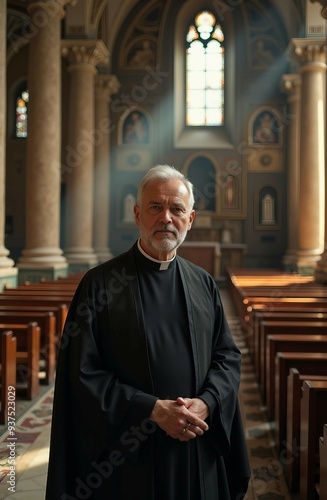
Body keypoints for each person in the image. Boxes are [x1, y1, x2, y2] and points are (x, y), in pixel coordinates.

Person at [45, 164, 250, 500]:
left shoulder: (204, 284)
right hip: (128, 460)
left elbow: (226, 357)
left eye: (176, 209)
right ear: (138, 214)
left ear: (190, 219)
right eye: (156, 207)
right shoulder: (99, 285)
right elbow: (81, 375)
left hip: (196, 447)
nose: (166, 218)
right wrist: (152, 410)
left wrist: (206, 403)